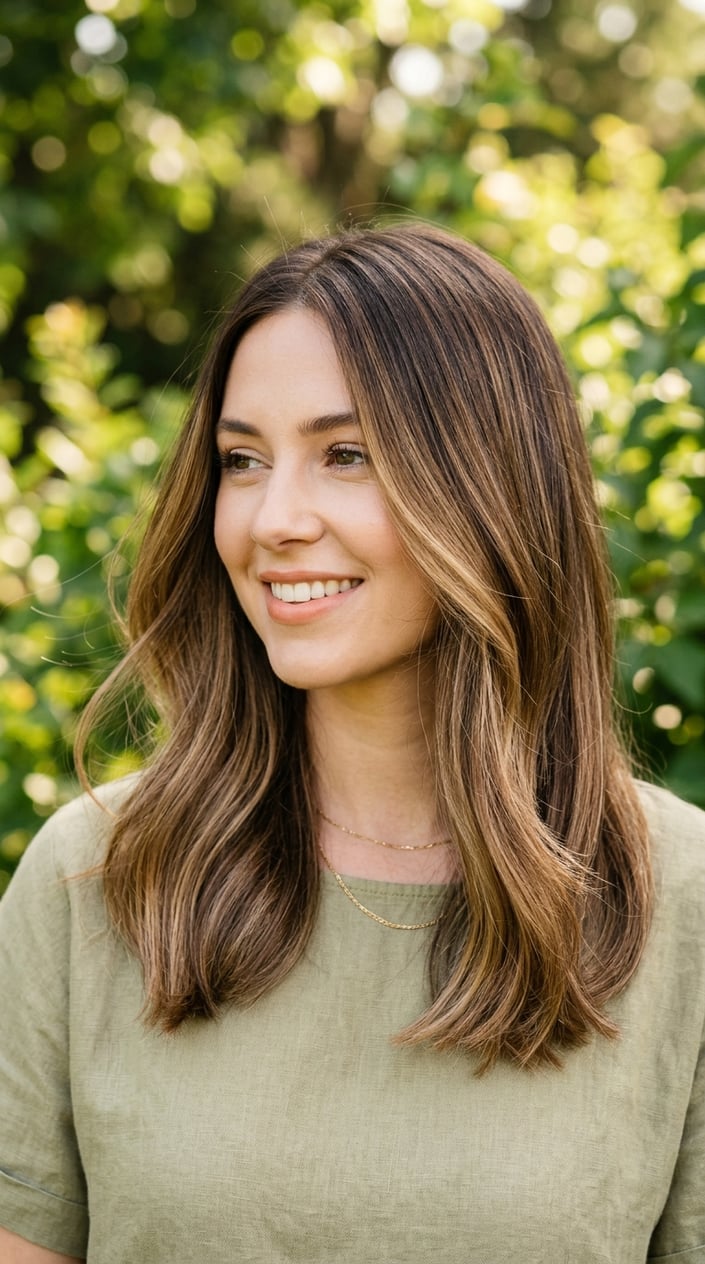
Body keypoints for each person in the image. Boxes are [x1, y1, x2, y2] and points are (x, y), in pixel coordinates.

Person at [0, 223, 703, 1264]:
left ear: (494, 484)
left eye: (347, 455)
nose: (273, 517)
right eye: (242, 460)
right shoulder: (93, 877)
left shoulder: (679, 897)